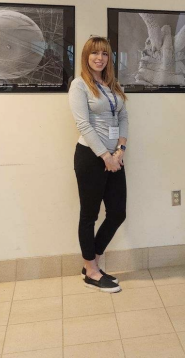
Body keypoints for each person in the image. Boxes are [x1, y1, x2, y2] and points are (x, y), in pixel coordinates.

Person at [68, 37, 129, 293]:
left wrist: (120, 150)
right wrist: (106, 156)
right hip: (91, 158)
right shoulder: (79, 85)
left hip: (115, 158)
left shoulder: (112, 84)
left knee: (117, 213)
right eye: (95, 53)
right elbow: (83, 124)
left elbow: (123, 117)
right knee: (89, 215)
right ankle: (91, 271)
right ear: (86, 56)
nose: (99, 58)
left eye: (104, 54)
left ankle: (92, 261)